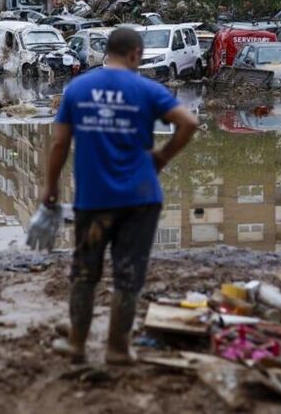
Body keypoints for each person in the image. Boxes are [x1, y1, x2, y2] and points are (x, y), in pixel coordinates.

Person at [44, 27, 199, 365]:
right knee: (128, 275)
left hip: (94, 200)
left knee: (85, 273)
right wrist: (161, 157)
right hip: (140, 198)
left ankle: (77, 344)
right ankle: (117, 349)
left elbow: (59, 143)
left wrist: (50, 186)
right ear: (134, 54)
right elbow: (188, 122)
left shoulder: (78, 88)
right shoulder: (146, 89)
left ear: (107, 52)